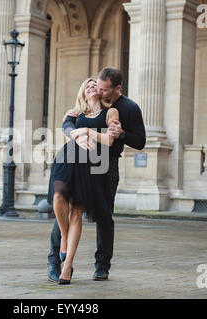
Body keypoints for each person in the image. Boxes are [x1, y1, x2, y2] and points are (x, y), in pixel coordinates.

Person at [48, 67, 146, 282]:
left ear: (116, 89)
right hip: (75, 161)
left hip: (106, 163)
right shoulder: (77, 111)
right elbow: (67, 125)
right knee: (62, 207)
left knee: (103, 215)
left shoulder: (126, 108)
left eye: (102, 88)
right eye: (94, 86)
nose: (98, 91)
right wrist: (73, 131)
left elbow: (139, 141)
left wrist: (120, 133)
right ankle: (55, 260)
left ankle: (102, 266)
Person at [47, 78, 120, 284]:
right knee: (58, 196)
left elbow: (109, 140)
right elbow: (66, 128)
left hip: (91, 164)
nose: (91, 87)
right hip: (67, 159)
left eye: (94, 84)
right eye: (87, 85)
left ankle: (67, 265)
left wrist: (87, 132)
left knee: (77, 210)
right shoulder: (75, 112)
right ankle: (63, 236)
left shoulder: (110, 112)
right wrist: (75, 135)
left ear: (101, 90)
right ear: (83, 92)